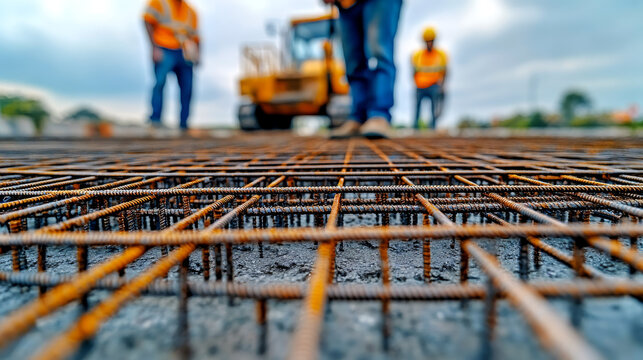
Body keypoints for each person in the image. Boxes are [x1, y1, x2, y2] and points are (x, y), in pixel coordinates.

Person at [326, 0, 403, 139]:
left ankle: (379, 116)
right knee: (353, 62)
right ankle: (357, 118)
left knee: (379, 54)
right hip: (346, 4)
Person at [143, 0, 200, 133]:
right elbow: (147, 21)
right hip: (164, 48)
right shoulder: (158, 3)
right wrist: (154, 47)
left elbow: (196, 37)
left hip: (185, 52)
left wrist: (197, 55)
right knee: (160, 82)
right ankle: (155, 121)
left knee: (188, 88)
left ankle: (184, 124)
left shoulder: (192, 11)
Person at [412, 26, 448, 130]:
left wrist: (442, 86)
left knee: (434, 109)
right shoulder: (417, 55)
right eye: (427, 41)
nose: (429, 43)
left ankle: (432, 128)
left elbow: (445, 71)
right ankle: (415, 128)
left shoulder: (441, 55)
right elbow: (413, 71)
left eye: (431, 41)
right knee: (417, 109)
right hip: (420, 86)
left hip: (434, 86)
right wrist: (415, 83)